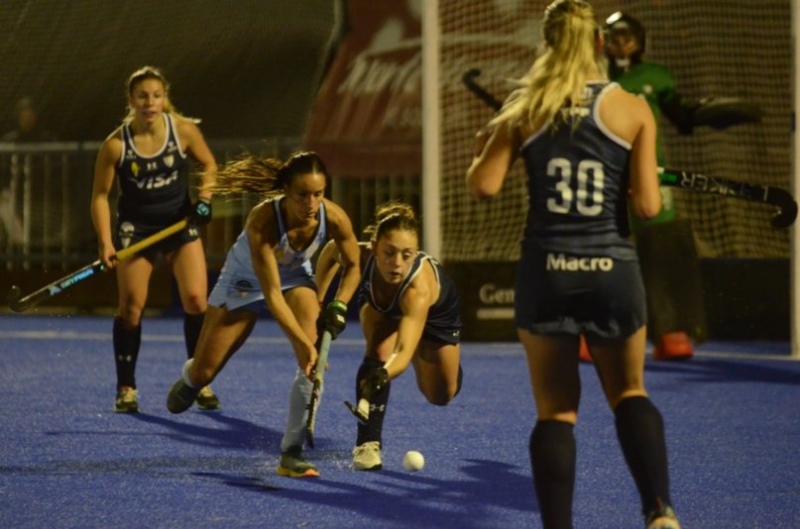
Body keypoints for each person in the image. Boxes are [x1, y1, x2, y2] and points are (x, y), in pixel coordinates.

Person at [466, 1, 680, 528]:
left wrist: (483, 147)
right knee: (628, 390)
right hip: (613, 267)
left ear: (546, 42)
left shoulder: (526, 105)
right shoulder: (632, 107)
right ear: (600, 45)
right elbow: (648, 207)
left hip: (547, 270)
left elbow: (484, 185)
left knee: (557, 411)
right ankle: (659, 512)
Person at [165, 151, 362, 478]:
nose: (311, 204)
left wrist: (339, 305)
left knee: (312, 363)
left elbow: (353, 265)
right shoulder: (263, 221)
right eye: (302, 195)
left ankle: (291, 452)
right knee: (206, 372)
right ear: (285, 190)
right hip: (246, 278)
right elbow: (271, 295)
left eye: (318, 194)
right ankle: (192, 376)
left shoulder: (335, 218)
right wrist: (300, 342)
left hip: (296, 276)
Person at [91, 66, 219, 413]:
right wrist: (106, 242)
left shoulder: (183, 132)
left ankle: (198, 379)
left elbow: (209, 164)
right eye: (142, 96)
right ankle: (126, 387)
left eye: (156, 96)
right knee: (131, 308)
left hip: (179, 225)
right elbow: (100, 196)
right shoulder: (116, 145)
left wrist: (205, 200)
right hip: (137, 230)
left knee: (195, 299)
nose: (150, 102)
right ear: (131, 100)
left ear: (165, 98)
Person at [315, 201, 463, 471]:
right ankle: (367, 444)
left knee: (440, 395)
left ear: (416, 252)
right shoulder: (361, 256)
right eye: (389, 253)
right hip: (381, 309)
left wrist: (384, 375)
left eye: (407, 255)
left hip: (433, 315)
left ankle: (430, 351)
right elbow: (330, 253)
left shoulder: (418, 289)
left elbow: (403, 353)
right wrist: (319, 300)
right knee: (376, 350)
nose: (397, 264)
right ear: (374, 248)